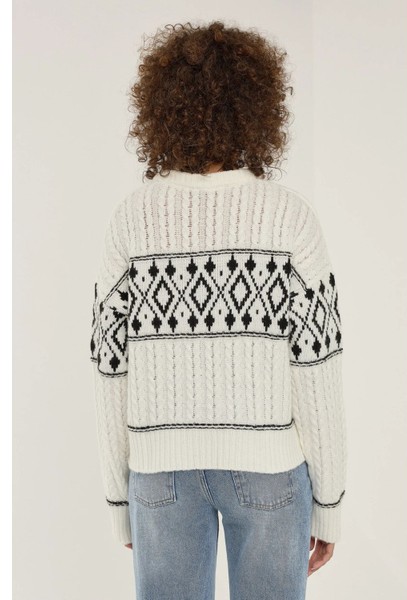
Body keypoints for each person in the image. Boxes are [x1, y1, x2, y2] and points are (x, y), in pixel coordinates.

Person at [89, 19, 347, 600]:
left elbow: (109, 368)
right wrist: (329, 503)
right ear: (259, 109)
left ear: (162, 110)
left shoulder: (131, 220)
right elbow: (317, 369)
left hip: (160, 473)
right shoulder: (290, 218)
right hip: (270, 471)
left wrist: (118, 498)